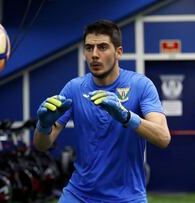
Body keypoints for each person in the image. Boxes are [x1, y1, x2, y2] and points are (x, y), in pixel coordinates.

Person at [33, 19, 171, 203]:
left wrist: (127, 117)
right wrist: (43, 125)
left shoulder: (141, 85)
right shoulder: (74, 88)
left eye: (103, 47)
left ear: (118, 52)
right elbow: (42, 145)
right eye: (89, 48)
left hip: (128, 197)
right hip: (78, 194)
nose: (94, 55)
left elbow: (163, 138)